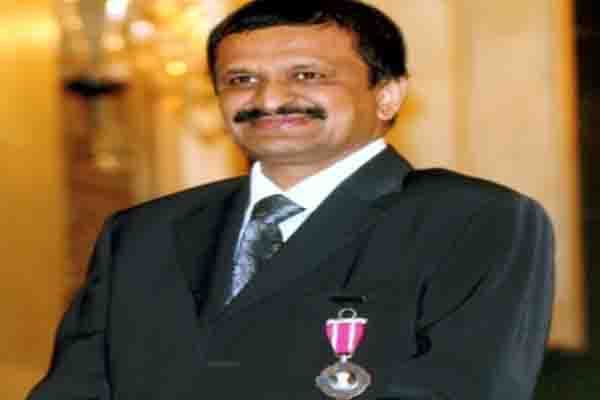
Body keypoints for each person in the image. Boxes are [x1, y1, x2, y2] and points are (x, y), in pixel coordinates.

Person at [28, 1, 554, 399]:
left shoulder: (473, 220)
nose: (270, 99)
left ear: (388, 94)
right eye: (241, 80)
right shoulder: (143, 233)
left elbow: (461, 388)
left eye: (307, 75)